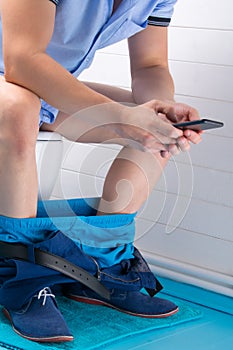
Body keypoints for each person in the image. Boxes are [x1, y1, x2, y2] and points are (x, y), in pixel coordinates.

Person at [0, 0, 202, 343]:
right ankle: (18, 278)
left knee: (161, 131)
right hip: (17, 82)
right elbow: (21, 60)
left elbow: (150, 66)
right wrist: (123, 120)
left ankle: (98, 268)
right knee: (20, 109)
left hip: (37, 89)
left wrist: (160, 113)